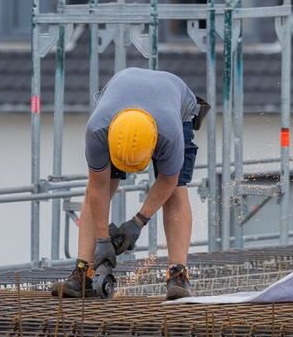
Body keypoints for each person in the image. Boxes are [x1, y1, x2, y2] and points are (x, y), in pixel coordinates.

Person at [51, 67, 206, 300]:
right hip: (119, 106)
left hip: (174, 100)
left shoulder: (170, 133)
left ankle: (178, 275)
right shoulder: (98, 130)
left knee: (176, 192)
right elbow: (98, 187)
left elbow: (168, 180)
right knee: (99, 187)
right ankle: (83, 271)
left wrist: (138, 221)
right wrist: (103, 239)